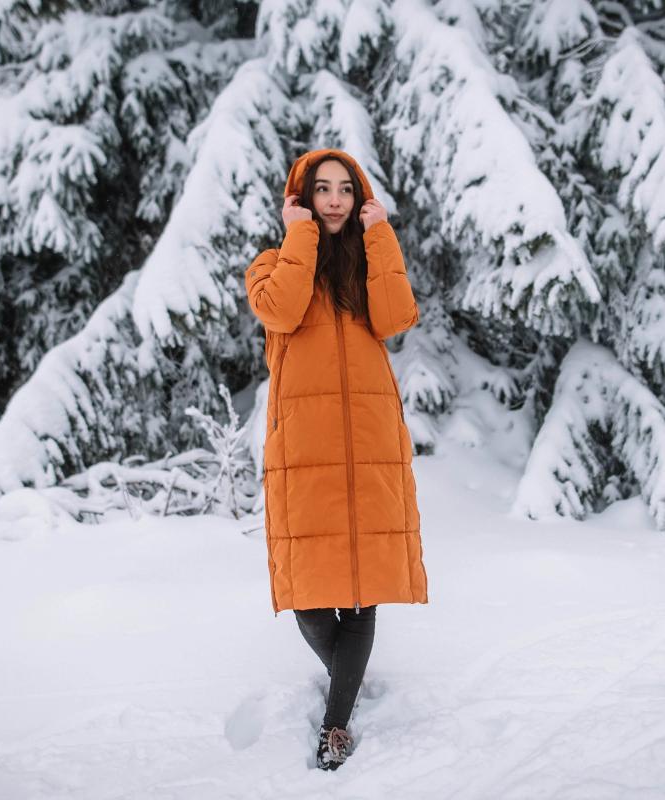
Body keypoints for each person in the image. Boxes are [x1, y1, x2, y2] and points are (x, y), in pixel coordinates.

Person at [244, 148, 428, 771]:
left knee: (363, 586)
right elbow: (282, 310)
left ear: (359, 197)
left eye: (345, 189)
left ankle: (336, 723)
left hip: (369, 443)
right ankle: (347, 674)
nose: (334, 200)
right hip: (305, 448)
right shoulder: (270, 266)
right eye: (321, 189)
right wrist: (299, 235)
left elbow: (397, 316)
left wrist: (381, 237)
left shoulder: (367, 264)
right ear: (301, 198)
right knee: (311, 597)